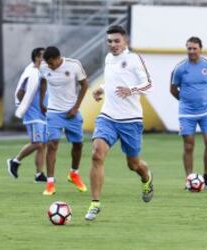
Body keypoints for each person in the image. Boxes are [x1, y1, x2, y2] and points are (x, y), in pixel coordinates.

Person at [84, 26, 154, 221]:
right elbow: (114, 81)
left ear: (125, 41)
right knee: (97, 155)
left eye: (116, 41)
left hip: (130, 120)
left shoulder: (134, 59)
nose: (113, 45)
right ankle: (95, 203)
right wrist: (102, 88)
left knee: (133, 164)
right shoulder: (108, 59)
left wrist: (131, 90)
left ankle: (146, 176)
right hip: (108, 117)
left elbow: (149, 85)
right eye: (109, 41)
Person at [170, 36, 207, 190]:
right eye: (189, 48)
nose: (191, 51)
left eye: (194, 48)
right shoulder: (180, 68)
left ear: (200, 49)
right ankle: (189, 179)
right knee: (189, 146)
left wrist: (204, 99)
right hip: (187, 113)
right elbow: (173, 89)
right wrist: (185, 100)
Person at [39, 46, 88, 195]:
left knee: (78, 144)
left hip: (71, 112)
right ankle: (50, 184)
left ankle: (74, 173)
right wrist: (42, 102)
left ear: (58, 58)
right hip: (53, 112)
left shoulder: (74, 65)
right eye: (47, 63)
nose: (49, 66)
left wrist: (76, 107)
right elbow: (43, 82)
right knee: (52, 144)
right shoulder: (43, 67)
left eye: (51, 63)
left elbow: (85, 85)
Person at [6, 47, 47, 183]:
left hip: (43, 112)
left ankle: (39, 174)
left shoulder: (42, 71)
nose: (45, 58)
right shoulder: (31, 73)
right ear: (36, 57)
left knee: (43, 144)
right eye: (43, 56)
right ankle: (15, 161)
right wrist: (24, 106)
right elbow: (20, 92)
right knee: (37, 142)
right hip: (33, 113)